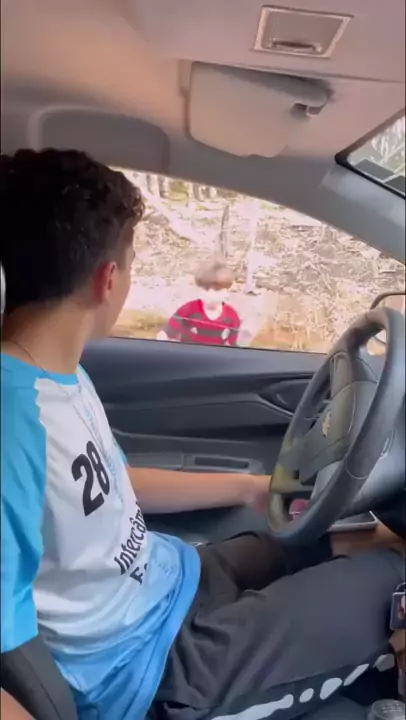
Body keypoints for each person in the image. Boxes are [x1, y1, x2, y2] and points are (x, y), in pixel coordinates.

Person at [0, 149, 404, 720]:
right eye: (131, 264)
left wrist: (247, 488)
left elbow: (114, 482)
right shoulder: (11, 422)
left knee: (337, 541)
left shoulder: (54, 373)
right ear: (107, 279)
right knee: (395, 580)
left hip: (174, 579)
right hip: (149, 672)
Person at [157, 258, 241, 346]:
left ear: (227, 291)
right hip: (189, 352)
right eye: (205, 289)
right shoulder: (188, 309)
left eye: (217, 290)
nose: (210, 294)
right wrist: (163, 339)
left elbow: (234, 346)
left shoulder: (231, 316)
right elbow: (167, 333)